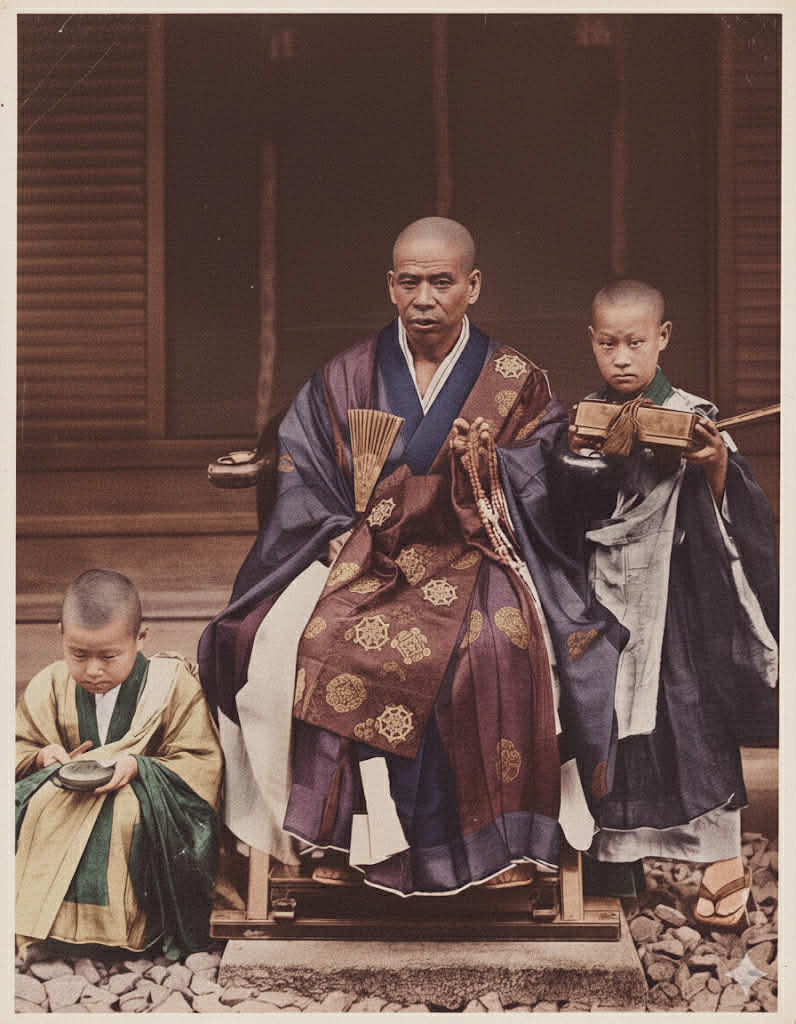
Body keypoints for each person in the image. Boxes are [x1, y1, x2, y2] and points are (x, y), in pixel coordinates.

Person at [198, 217, 626, 897]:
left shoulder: (516, 380)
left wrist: (490, 467)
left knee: (493, 650)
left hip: (477, 551)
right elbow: (301, 466)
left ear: (473, 286)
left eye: (441, 281)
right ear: (391, 288)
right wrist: (331, 527)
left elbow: (548, 478)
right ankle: (336, 839)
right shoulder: (347, 375)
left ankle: (499, 844)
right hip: (370, 555)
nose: (425, 297)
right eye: (410, 281)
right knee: (309, 641)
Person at [559, 278, 778, 927]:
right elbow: (565, 518)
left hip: (677, 594)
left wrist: (712, 466)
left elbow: (743, 514)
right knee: (603, 722)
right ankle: (614, 867)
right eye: (608, 344)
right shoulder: (582, 420)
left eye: (635, 342)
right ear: (592, 343)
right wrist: (587, 465)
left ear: (663, 338)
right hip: (604, 594)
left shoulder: (695, 411)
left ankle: (720, 864)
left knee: (692, 716)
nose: (622, 358)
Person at [16, 569, 224, 959]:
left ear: (140, 637)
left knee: (124, 815)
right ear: (61, 634)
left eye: (109, 656)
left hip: (144, 796)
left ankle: (131, 938)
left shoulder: (172, 684)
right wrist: (43, 756)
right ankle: (48, 932)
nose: (93, 669)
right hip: (66, 792)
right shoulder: (50, 683)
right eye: (78, 654)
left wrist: (140, 767)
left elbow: (201, 761)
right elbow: (19, 744)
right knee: (40, 808)